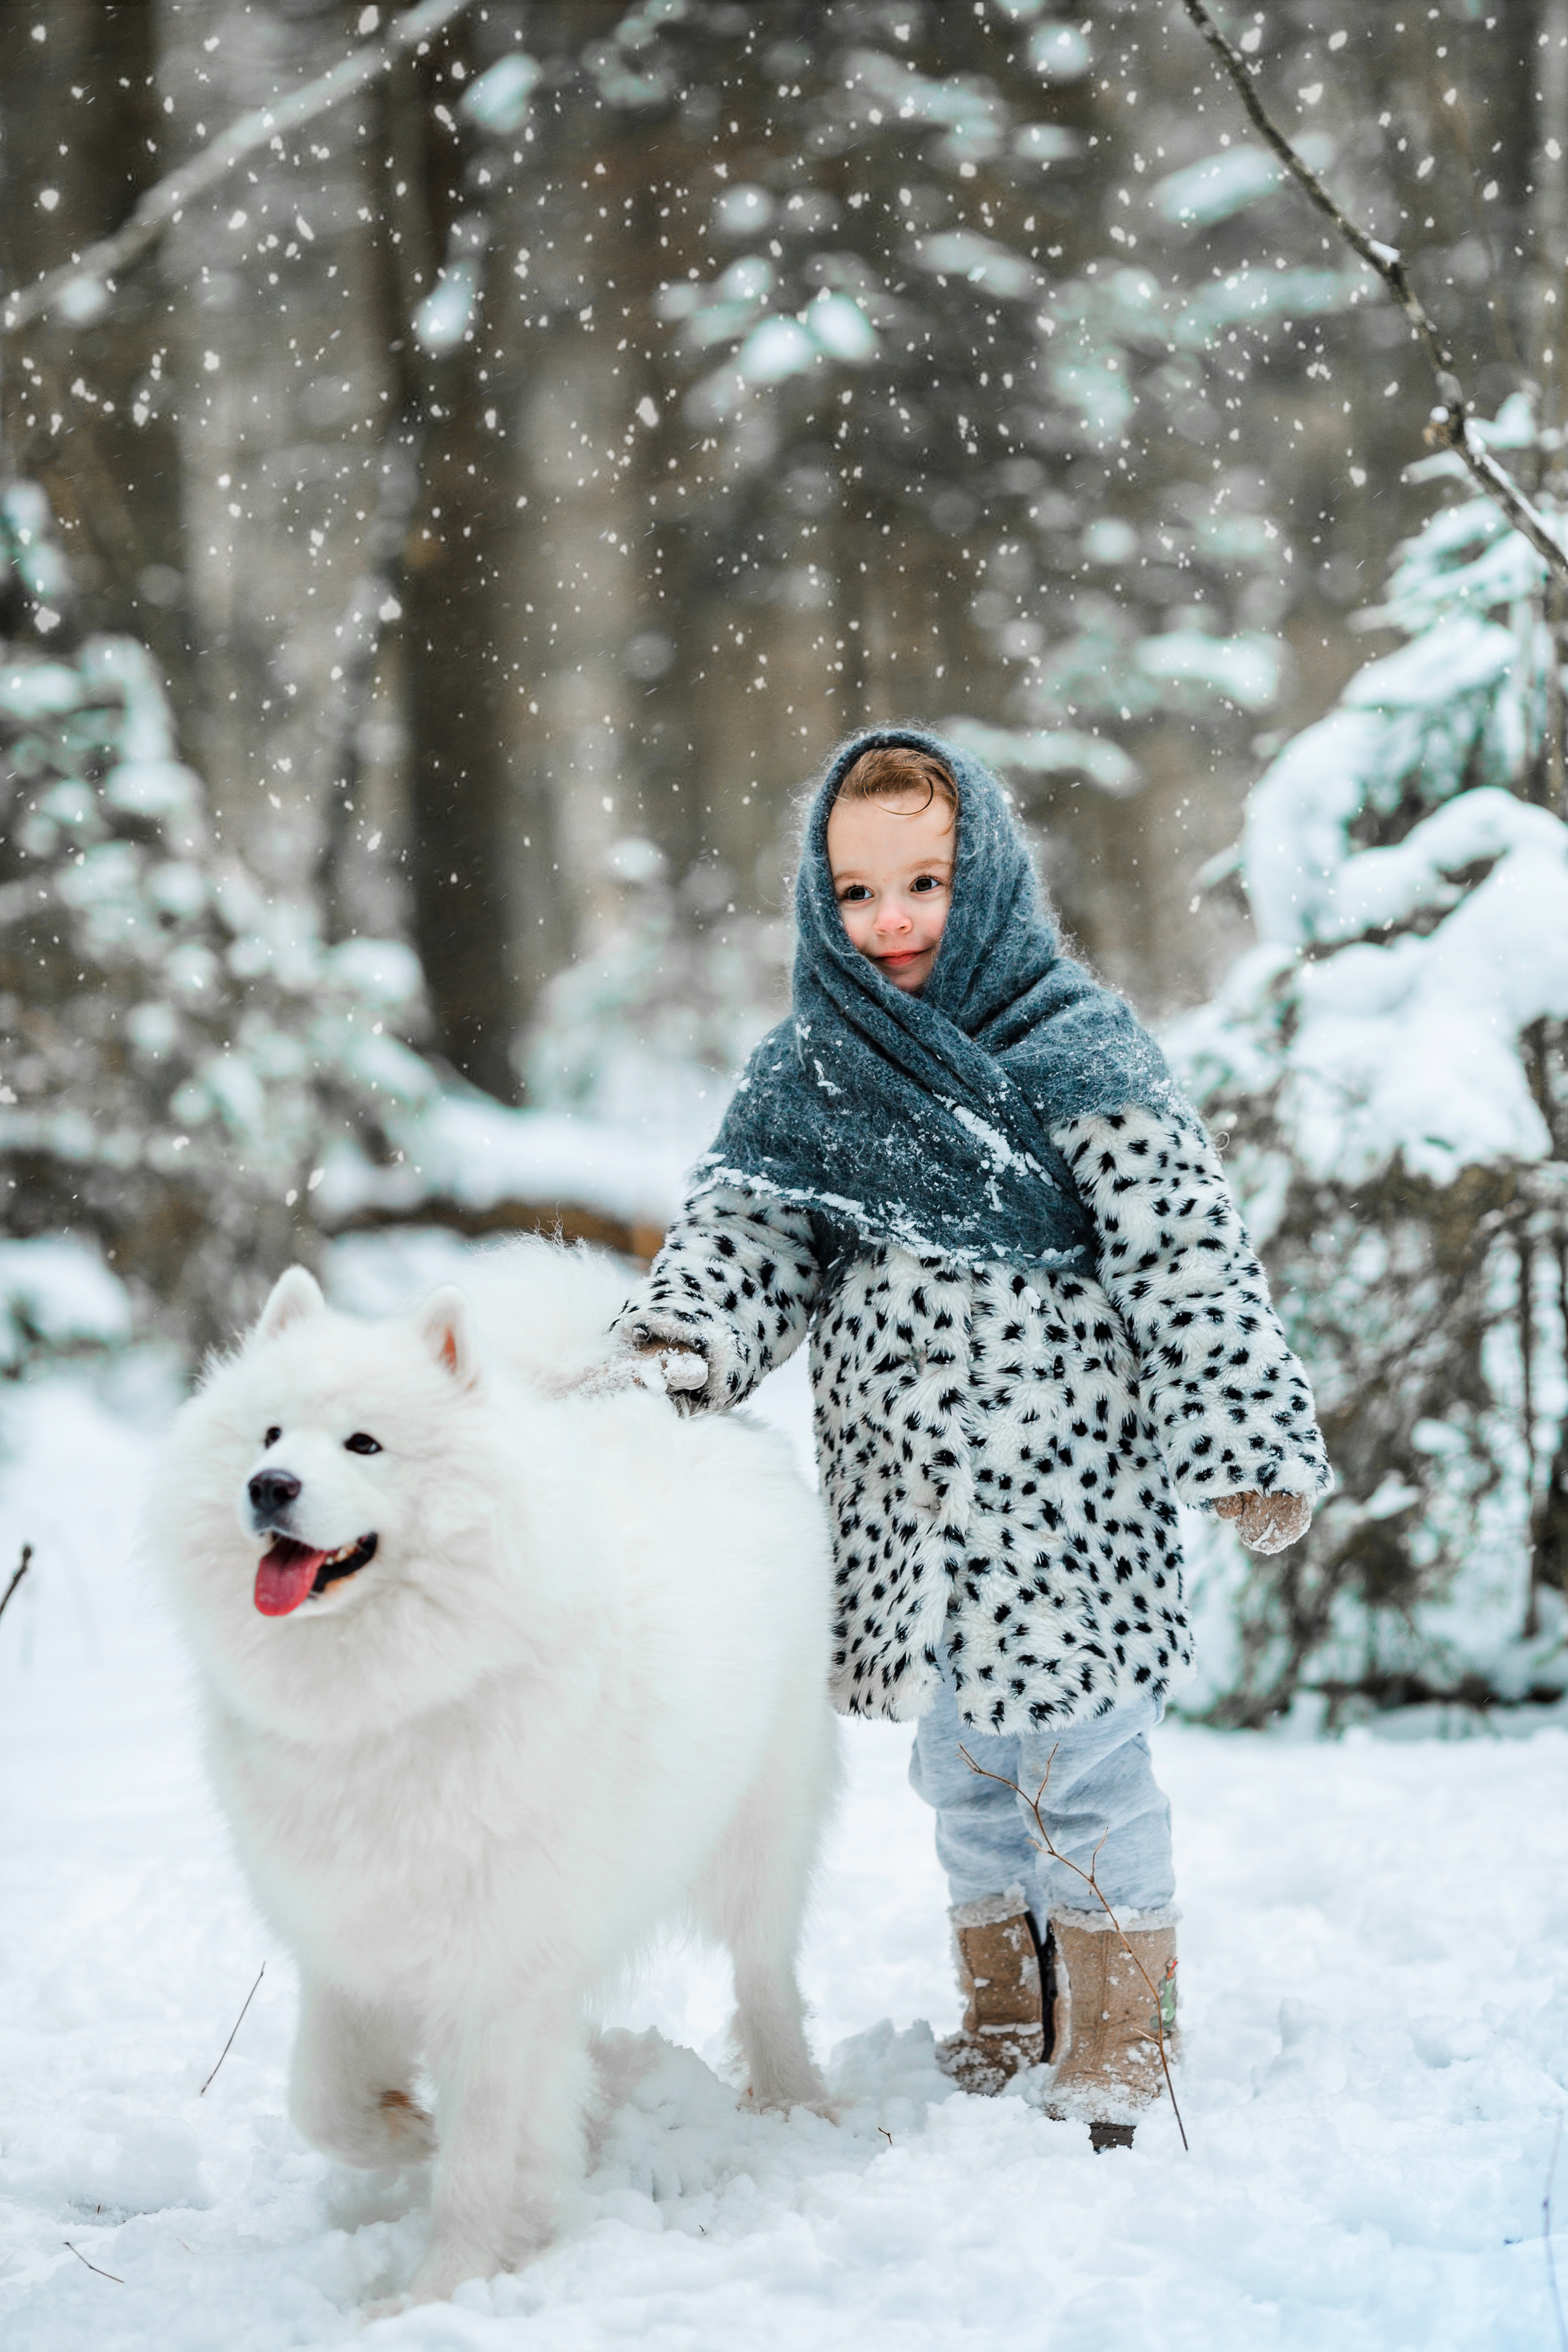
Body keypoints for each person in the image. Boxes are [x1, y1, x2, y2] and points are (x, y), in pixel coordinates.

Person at [607, 726, 1329, 2146]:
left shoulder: (1080, 1050)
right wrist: (688, 1334)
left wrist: (1241, 1432)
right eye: (857, 892)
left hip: (1068, 1501)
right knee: (965, 1770)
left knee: (1084, 1773)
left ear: (985, 876)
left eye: (923, 883)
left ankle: (1121, 2029)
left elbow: (1182, 1255)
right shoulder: (815, 1071)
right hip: (906, 1510)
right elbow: (754, 1235)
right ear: (819, 901)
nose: (890, 924)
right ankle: (1007, 2013)